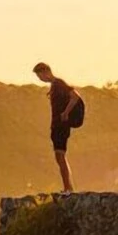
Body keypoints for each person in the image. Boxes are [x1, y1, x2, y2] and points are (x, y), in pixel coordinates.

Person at [34, 62, 82, 193]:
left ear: (46, 72)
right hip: (57, 125)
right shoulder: (55, 86)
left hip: (61, 125)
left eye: (40, 76)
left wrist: (66, 113)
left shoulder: (59, 84)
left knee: (60, 156)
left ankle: (68, 188)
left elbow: (75, 97)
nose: (41, 79)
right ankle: (68, 187)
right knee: (59, 156)